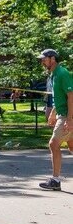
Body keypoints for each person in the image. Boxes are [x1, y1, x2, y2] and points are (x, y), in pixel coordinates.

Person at [38, 49, 72, 191]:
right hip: (62, 113)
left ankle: (55, 180)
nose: (42, 61)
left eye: (44, 59)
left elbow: (71, 96)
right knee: (71, 146)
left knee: (53, 144)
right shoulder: (53, 75)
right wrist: (53, 112)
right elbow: (60, 97)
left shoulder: (62, 74)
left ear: (52, 59)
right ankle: (55, 180)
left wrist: (69, 119)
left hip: (67, 115)